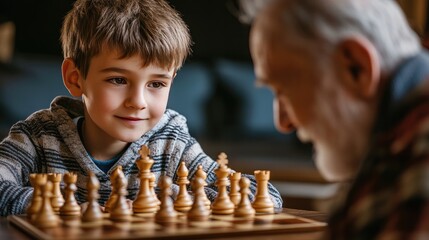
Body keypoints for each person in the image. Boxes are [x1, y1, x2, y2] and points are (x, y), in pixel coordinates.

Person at [0, 0, 283, 216]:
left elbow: (266, 195)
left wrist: (166, 198)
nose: (138, 101)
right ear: (76, 78)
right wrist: (73, 209)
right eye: (118, 80)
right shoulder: (37, 137)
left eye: (156, 84)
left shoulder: (172, 144)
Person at [238, 0, 429, 239]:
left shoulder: (419, 148)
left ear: (356, 68)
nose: (282, 123)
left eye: (283, 90)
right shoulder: (393, 150)